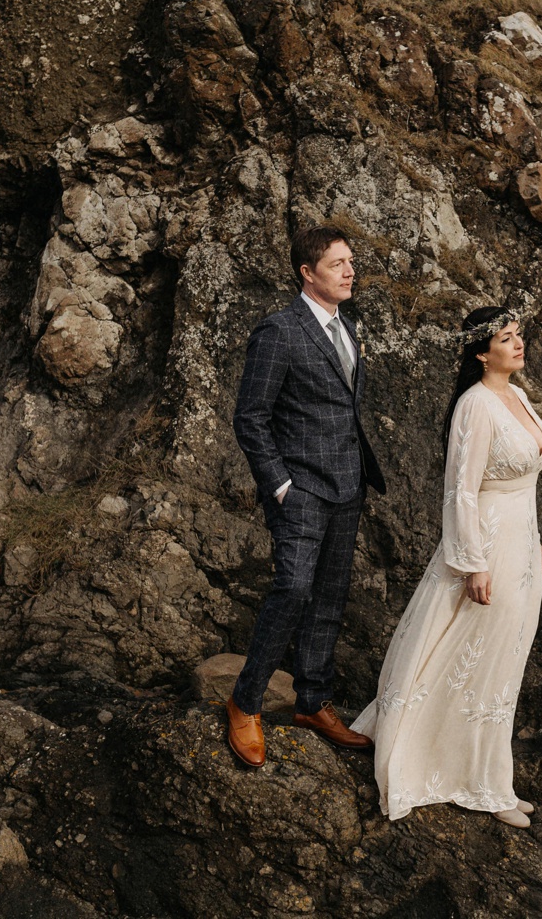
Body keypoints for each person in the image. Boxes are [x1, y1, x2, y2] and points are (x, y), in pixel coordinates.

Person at [351, 305, 542, 828]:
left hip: (521, 542)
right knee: (477, 659)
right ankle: (477, 781)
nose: (517, 343)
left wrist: (537, 542)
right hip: (486, 544)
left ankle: (490, 774)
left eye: (518, 335)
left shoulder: (519, 397)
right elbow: (461, 490)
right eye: (505, 339)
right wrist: (472, 563)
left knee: (503, 664)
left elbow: (524, 480)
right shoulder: (475, 404)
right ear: (482, 353)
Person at [227, 223, 386, 768]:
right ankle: (245, 702)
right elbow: (250, 418)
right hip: (300, 489)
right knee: (293, 589)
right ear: (307, 272)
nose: (349, 271)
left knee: (329, 596)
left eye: (350, 262)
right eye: (337, 264)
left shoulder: (350, 325)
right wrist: (281, 485)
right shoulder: (279, 331)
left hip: (347, 485)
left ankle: (312, 701)